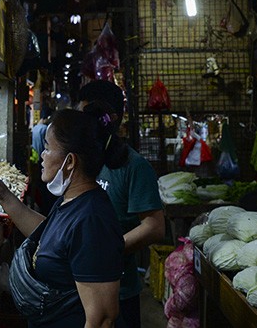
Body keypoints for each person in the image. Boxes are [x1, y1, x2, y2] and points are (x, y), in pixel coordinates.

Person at [0, 105, 125, 328]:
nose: (42, 155)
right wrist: (4, 196)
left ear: (70, 161)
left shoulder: (92, 221)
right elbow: (52, 237)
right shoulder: (72, 200)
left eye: (48, 148)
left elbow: (102, 318)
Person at [76, 80, 166, 328]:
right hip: (79, 289)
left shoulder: (134, 166)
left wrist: (108, 251)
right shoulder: (81, 159)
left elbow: (155, 226)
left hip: (120, 290)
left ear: (109, 119)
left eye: (87, 115)